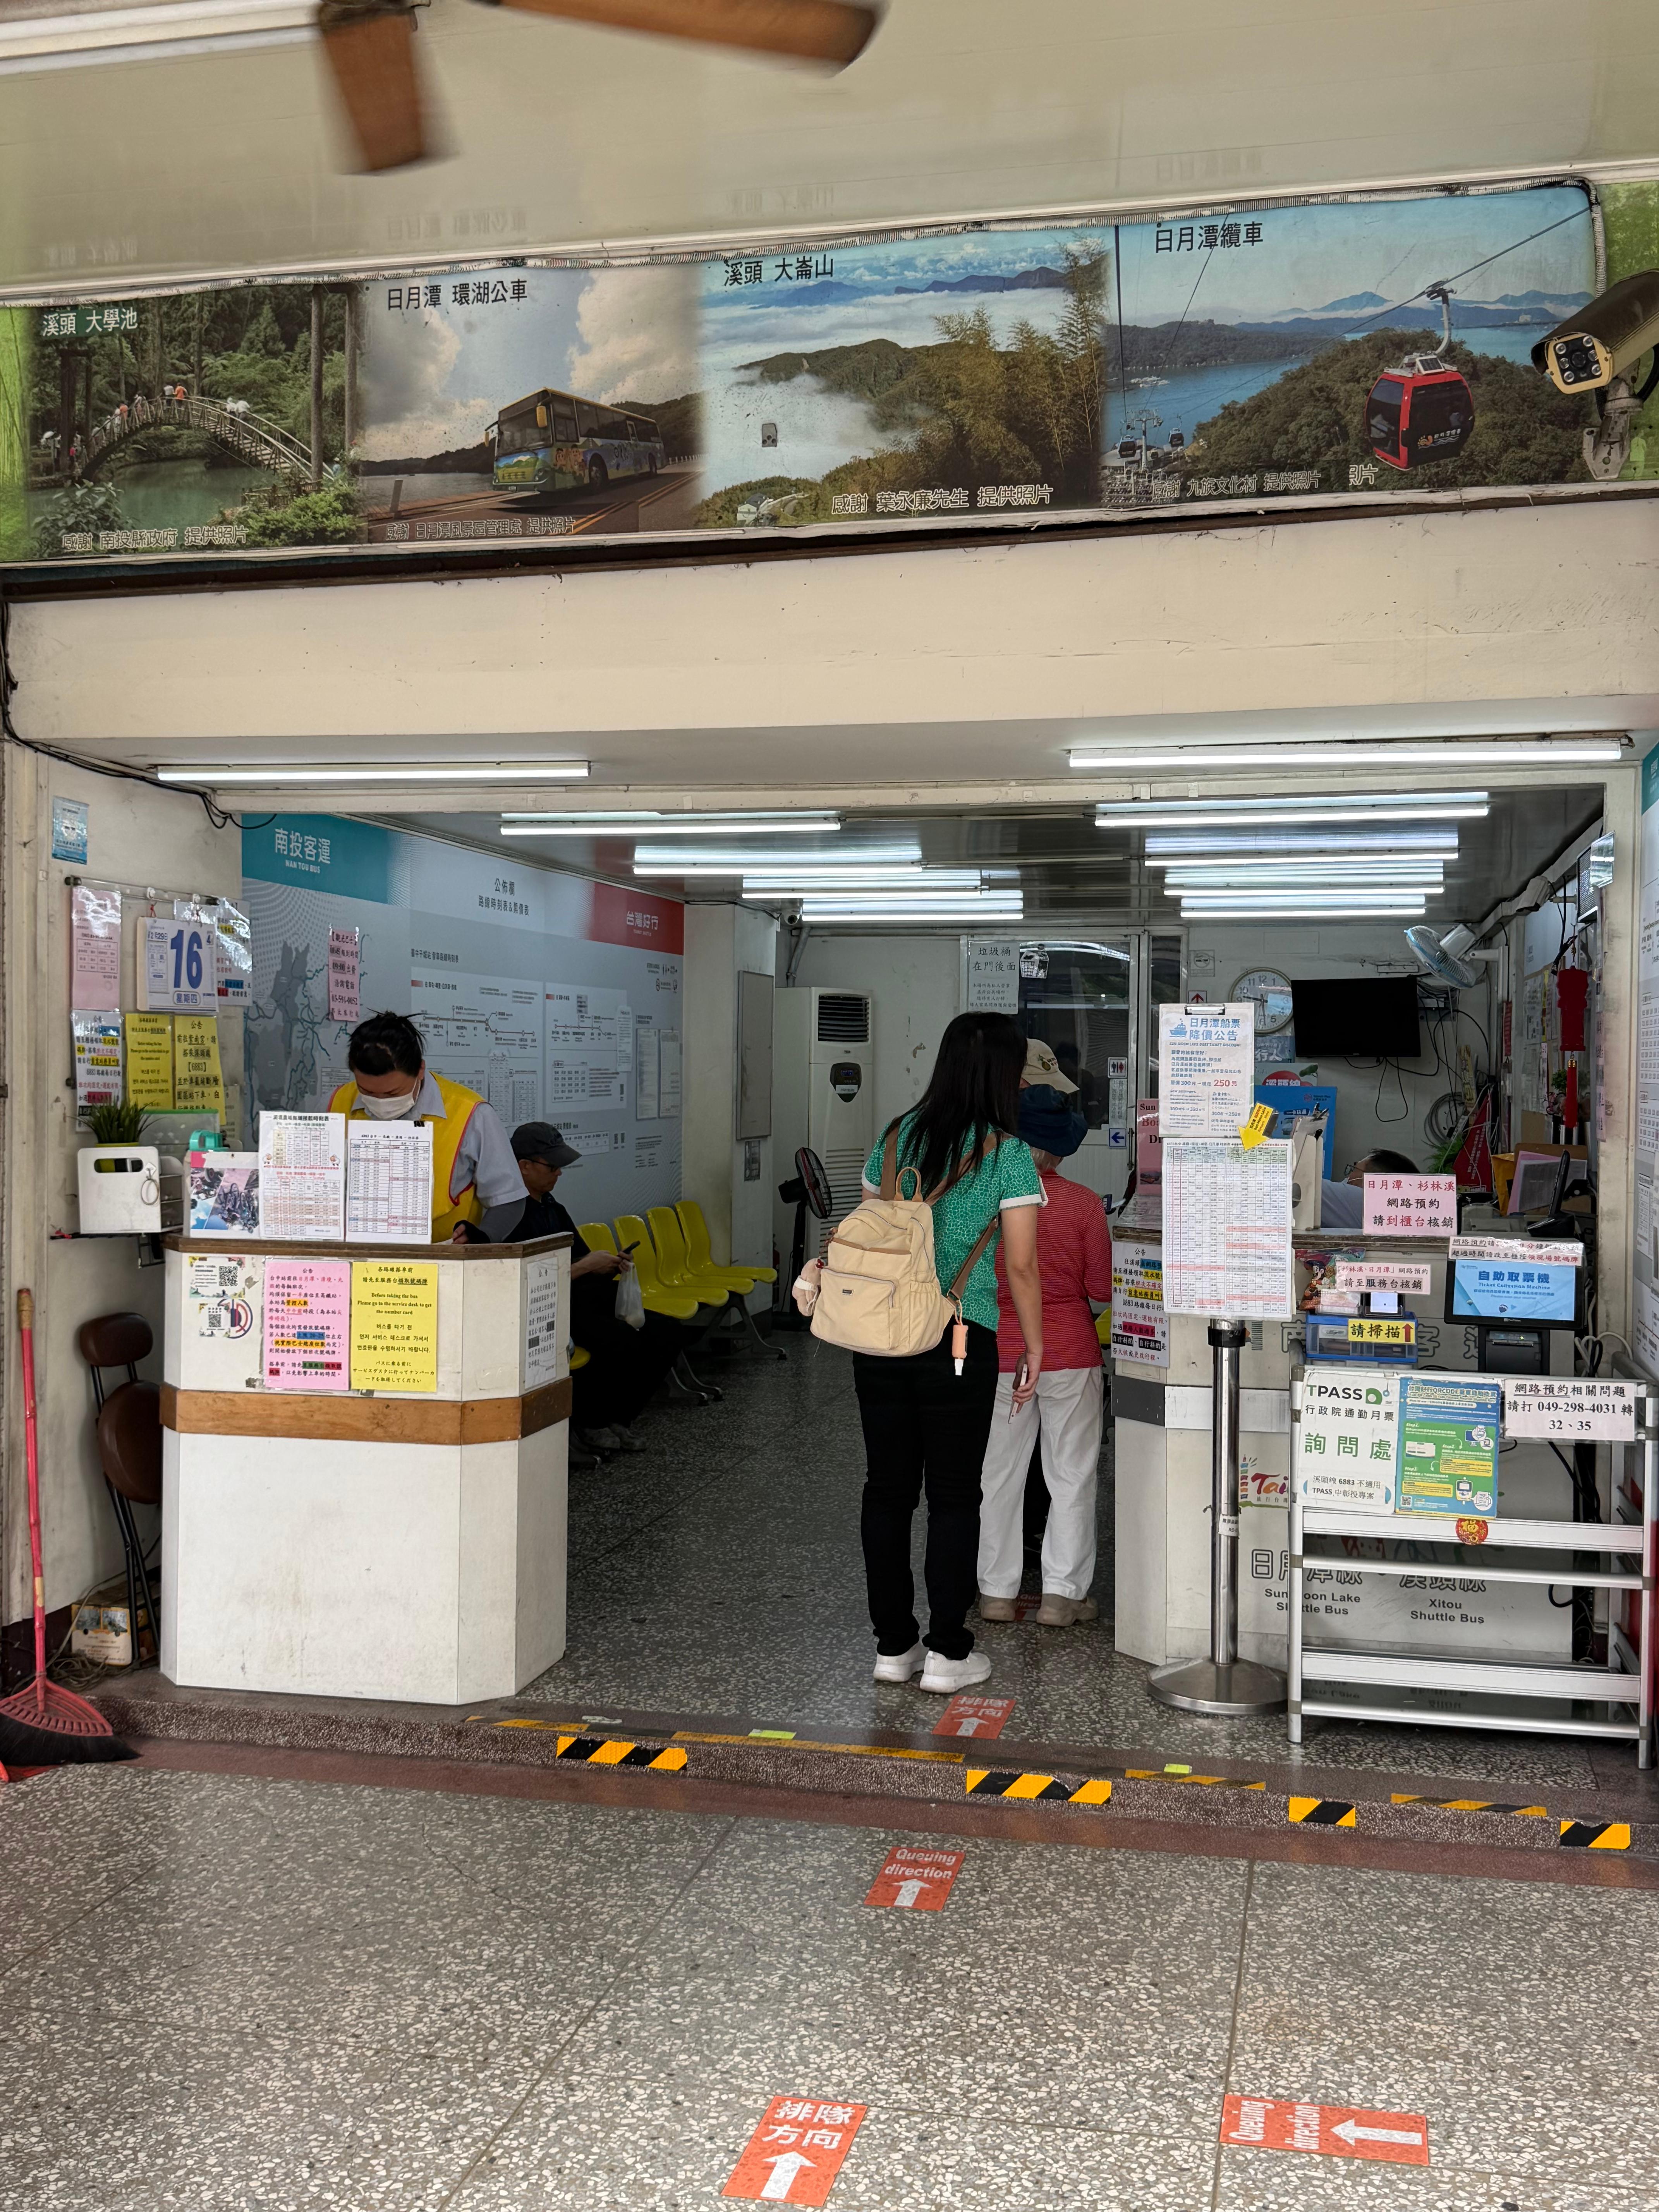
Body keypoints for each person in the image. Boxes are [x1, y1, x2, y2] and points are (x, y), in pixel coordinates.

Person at [853, 1012, 1046, 1697]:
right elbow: (1020, 1267)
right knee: (955, 1496)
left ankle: (892, 1646)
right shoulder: (1007, 1154)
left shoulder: (894, 1136)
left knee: (887, 1489)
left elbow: (869, 1235)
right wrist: (1036, 1346)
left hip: (878, 1336)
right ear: (1004, 1074)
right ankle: (947, 1652)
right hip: (960, 1337)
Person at [977, 1049, 1111, 1627]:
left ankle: (995, 1593)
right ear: (1059, 1149)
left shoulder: (985, 1200)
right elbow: (1100, 1288)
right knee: (1072, 1475)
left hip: (998, 1350)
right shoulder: (1083, 1205)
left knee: (998, 1476)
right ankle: (1061, 1595)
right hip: (1070, 1353)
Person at [506, 1121, 692, 1455]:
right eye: (552, 1166)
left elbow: (579, 1258)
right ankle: (591, 1421)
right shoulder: (509, 1216)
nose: (559, 1173)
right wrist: (586, 1267)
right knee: (621, 1342)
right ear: (524, 1166)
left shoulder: (553, 1208)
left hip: (584, 1297)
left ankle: (620, 1417)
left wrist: (607, 1264)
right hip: (551, 1310)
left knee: (668, 1333)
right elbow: (523, 1280)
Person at [328, 1012, 527, 1241]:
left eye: (393, 1094)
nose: (380, 1102)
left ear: (420, 1070)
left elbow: (508, 1198)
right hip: (354, 1254)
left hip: (443, 1255)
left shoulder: (471, 1114)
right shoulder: (334, 1104)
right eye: (367, 1093)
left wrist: (484, 1238)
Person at [1319, 1147, 1420, 1230]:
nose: (1349, 1176)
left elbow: (1311, 1187)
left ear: (1371, 1181)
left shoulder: (1362, 1201)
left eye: (1354, 1170)